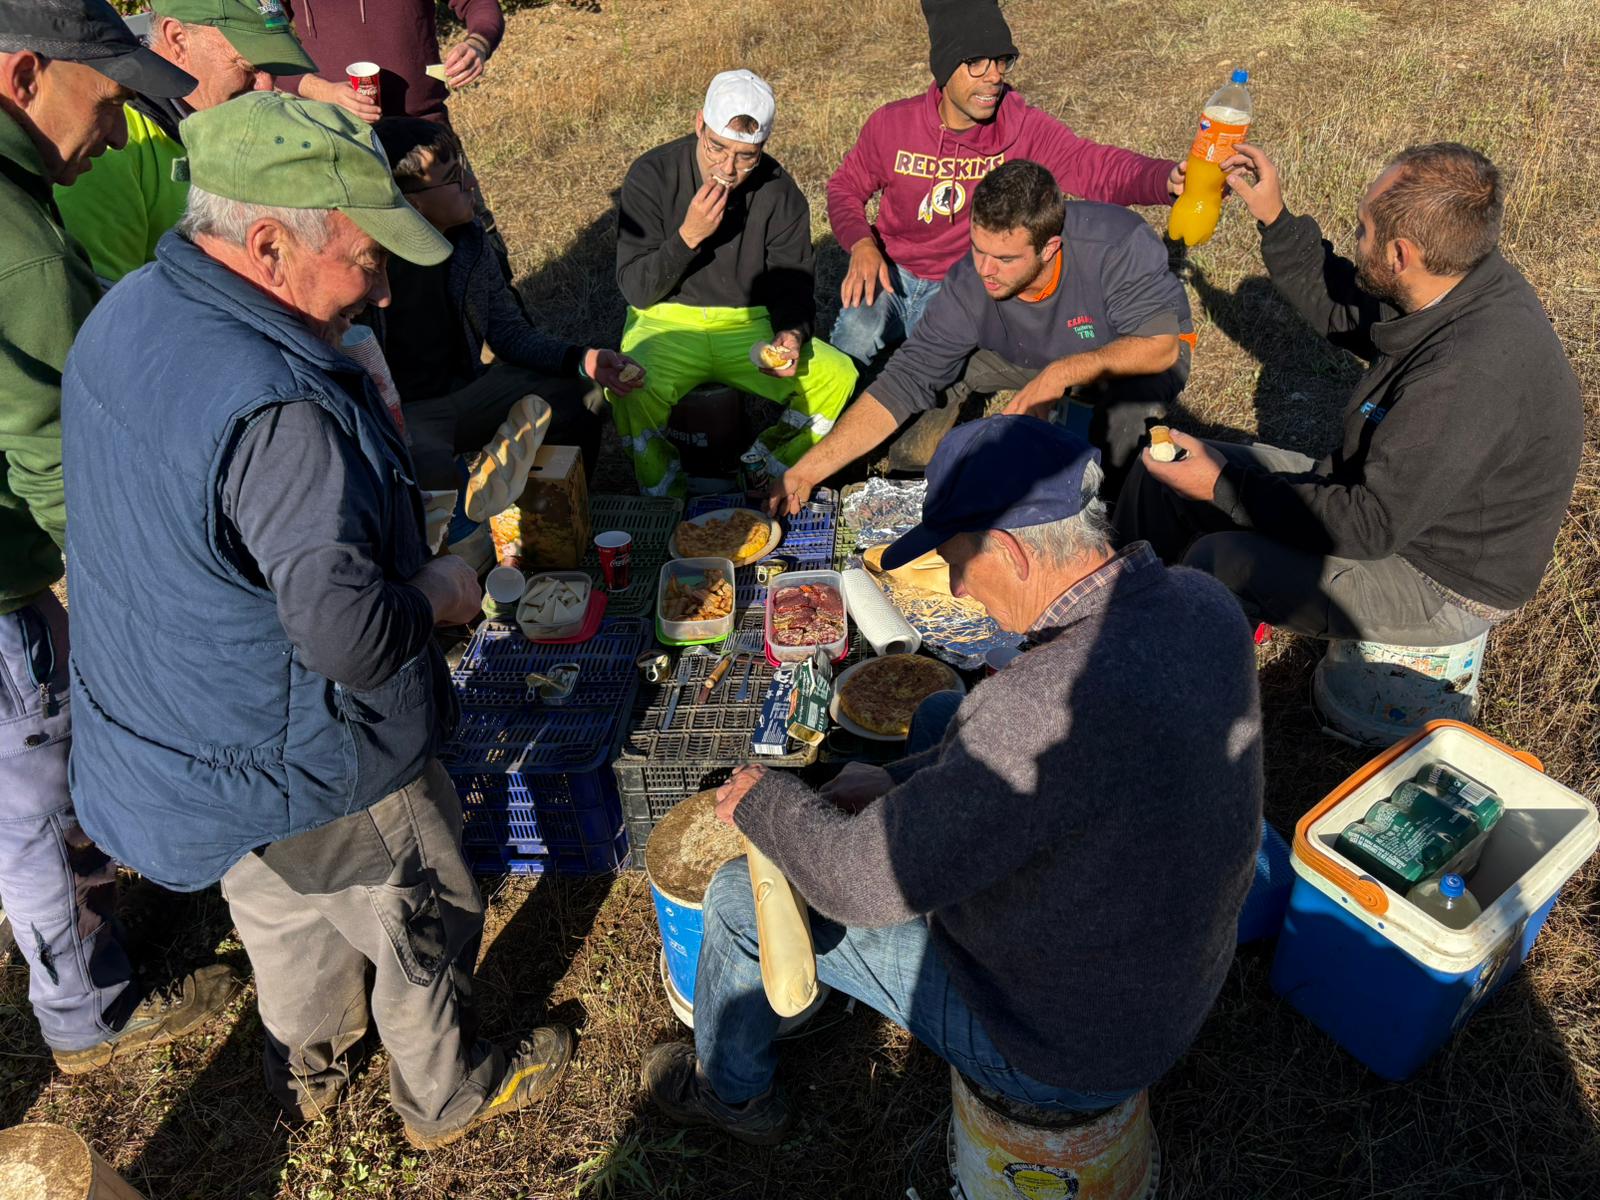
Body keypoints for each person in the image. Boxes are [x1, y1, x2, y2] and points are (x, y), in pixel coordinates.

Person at [60, 92, 571, 1147]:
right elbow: (345, 636)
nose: (383, 288)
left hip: (178, 731)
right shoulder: (282, 404)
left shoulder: (129, 309)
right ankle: (444, 1098)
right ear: (266, 245)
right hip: (305, 750)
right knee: (419, 908)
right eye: (362, 260)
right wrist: (436, 592)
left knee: (280, 911)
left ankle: (312, 1063)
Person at [643, 415, 1263, 1144]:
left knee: (736, 900)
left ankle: (731, 1092)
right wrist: (901, 786)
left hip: (1064, 1050)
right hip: (1163, 965)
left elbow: (858, 887)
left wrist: (768, 802)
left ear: (1009, 551)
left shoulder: (1033, 706)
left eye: (958, 562)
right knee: (943, 713)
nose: (961, 588)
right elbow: (1034, 760)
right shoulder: (1203, 601)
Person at [0, 0, 239, 1076]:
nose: (110, 132)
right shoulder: (17, 247)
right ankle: (85, 1016)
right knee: (31, 784)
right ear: (22, 77)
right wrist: (123, 589)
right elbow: (46, 442)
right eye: (102, 100)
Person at [1115, 142, 1583, 645]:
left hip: (1438, 579)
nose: (1355, 238)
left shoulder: (1467, 377)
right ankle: (1113, 610)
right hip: (1380, 502)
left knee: (1221, 561)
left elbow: (1369, 526)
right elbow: (1347, 308)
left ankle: (1152, 670)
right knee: (1160, 474)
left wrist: (1221, 486)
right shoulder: (1454, 278)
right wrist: (1275, 217)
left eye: (1363, 230)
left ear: (1401, 254)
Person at [826, 0, 1178, 467]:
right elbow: (844, 187)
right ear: (945, 67)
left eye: (1002, 61)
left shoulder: (1021, 128)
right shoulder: (893, 124)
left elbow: (1091, 165)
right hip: (893, 271)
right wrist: (862, 244)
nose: (994, 76)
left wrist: (1164, 179)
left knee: (934, 370)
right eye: (976, 63)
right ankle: (815, 438)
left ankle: (914, 453)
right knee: (855, 330)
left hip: (963, 283)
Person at [774, 160, 1191, 514]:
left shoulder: (1115, 244)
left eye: (1006, 259)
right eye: (978, 249)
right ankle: (915, 479)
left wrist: (1060, 375)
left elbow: (1159, 346)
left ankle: (1111, 518)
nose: (986, 270)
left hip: (1132, 352)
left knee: (1118, 429)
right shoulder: (970, 282)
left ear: (1050, 248)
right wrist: (807, 471)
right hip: (1027, 351)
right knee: (946, 375)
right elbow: (904, 381)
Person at [608, 69, 859, 498]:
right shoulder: (652, 174)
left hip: (748, 323)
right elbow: (636, 289)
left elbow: (792, 285)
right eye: (717, 148)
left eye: (747, 156)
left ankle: (766, 468)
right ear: (699, 125)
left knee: (838, 375)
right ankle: (665, 493)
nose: (727, 169)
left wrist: (791, 334)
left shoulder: (780, 193)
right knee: (630, 388)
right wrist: (689, 236)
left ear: (763, 148)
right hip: (667, 319)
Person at [371, 116, 642, 487]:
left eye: (464, 167)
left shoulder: (468, 239)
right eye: (453, 177)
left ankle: (560, 517)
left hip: (468, 392)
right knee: (439, 482)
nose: (471, 183)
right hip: (405, 415)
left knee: (585, 393)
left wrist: (582, 359)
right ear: (411, 203)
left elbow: (508, 331)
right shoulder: (370, 266)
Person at [53, 0, 314, 285]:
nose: (266, 86)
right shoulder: (109, 149)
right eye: (248, 65)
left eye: (273, 67)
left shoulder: (243, 116)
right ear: (178, 40)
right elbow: (110, 309)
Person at [278, 0, 502, 125]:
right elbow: (262, 42)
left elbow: (478, 4)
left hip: (424, 129)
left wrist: (478, 43)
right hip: (334, 135)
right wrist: (322, 91)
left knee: (460, 209)